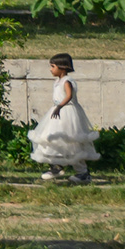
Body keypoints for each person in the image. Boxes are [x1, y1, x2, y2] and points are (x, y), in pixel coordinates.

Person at [29, 53, 99, 183]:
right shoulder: (57, 81)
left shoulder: (67, 81)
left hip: (67, 113)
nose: (50, 69)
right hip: (57, 112)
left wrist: (60, 106)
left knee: (72, 142)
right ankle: (56, 165)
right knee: (51, 138)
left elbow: (69, 96)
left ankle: (82, 172)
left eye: (53, 66)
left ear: (62, 67)